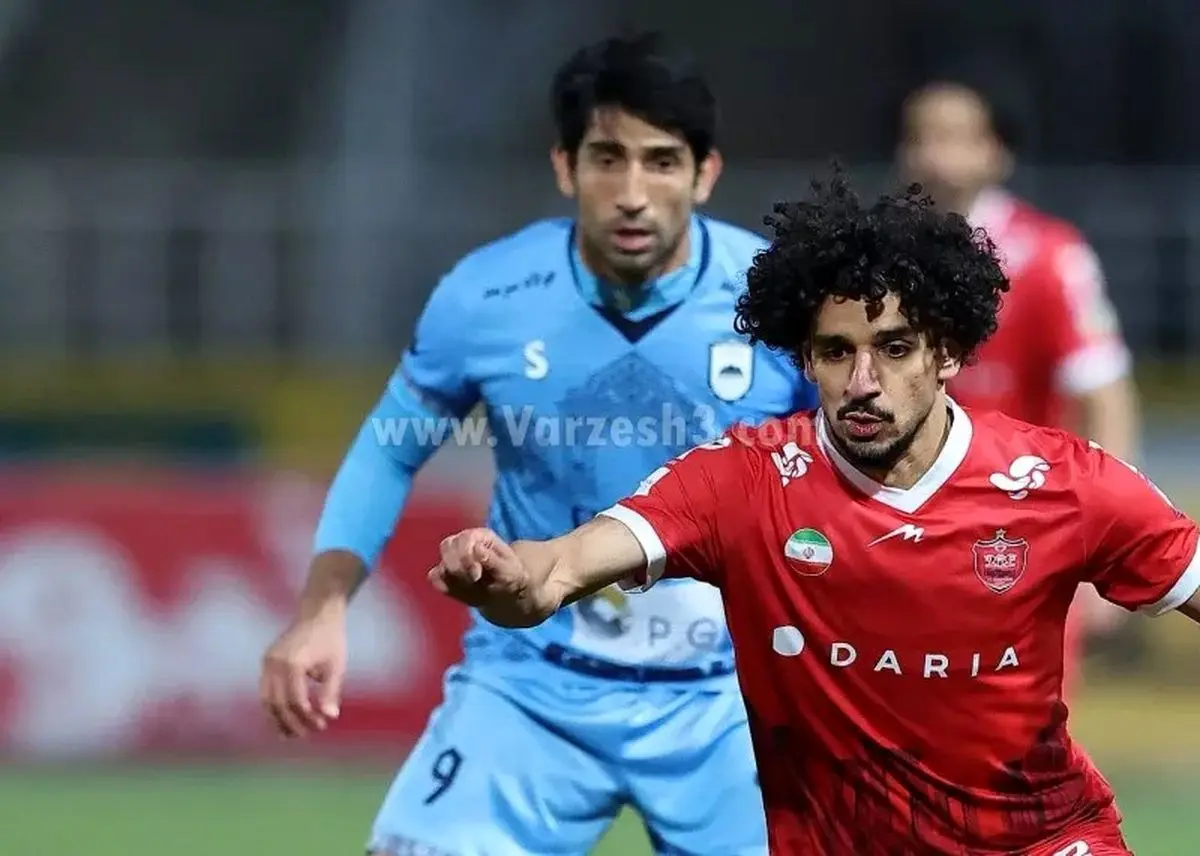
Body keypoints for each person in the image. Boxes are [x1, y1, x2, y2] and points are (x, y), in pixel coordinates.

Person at [428, 169, 1200, 855]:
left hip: (1045, 842)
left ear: (947, 354)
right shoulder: (743, 480)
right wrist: (506, 577)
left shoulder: (1063, 484)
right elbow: (557, 570)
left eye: (893, 348)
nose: (862, 381)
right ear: (806, 359)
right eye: (835, 352)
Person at [259, 31, 816, 856]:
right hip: (531, 688)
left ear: (705, 173)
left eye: (662, 162)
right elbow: (390, 448)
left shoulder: (782, 303)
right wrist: (322, 610)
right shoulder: (487, 297)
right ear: (565, 166)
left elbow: (861, 477)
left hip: (735, 703)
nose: (633, 194)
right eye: (607, 159)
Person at [897, 65, 1142, 665]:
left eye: (955, 136)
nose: (935, 155)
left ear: (996, 152)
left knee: (1021, 718)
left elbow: (1105, 393)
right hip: (900, 529)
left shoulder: (1049, 256)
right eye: (921, 136)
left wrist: (1115, 540)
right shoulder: (879, 257)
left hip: (1019, 532)